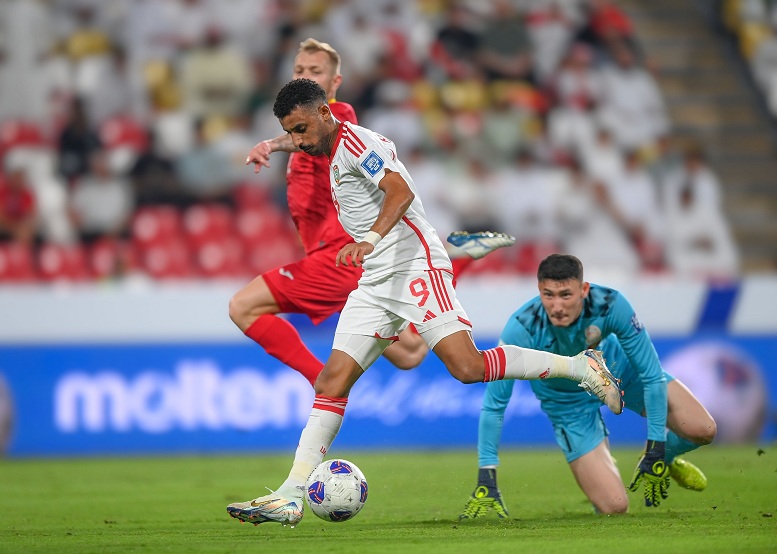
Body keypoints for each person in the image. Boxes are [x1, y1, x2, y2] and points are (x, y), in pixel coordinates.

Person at [226, 78, 623, 527]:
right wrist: (274, 145)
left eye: (300, 130)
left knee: (467, 367)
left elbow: (400, 191)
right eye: (290, 133)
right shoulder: (326, 146)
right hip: (376, 279)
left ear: (323, 113)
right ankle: (291, 494)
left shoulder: (358, 143)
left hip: (415, 264)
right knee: (331, 382)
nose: (298, 141)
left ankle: (582, 367)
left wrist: (370, 239)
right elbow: (302, 143)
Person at [233, 38, 515, 386]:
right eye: (299, 70)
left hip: (337, 254)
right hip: (343, 258)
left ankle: (321, 381)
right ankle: (460, 256)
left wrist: (273, 144)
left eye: (316, 72)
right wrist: (275, 144)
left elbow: (393, 185)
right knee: (410, 354)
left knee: (242, 307)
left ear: (334, 84)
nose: (305, 76)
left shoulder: (338, 119)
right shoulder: (301, 133)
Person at [460, 254, 716, 517]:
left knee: (703, 429)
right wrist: (486, 473)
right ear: (539, 291)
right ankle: (601, 467)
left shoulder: (610, 304)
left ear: (584, 290)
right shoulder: (521, 328)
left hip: (619, 372)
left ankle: (667, 458)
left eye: (565, 295)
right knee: (615, 507)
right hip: (567, 404)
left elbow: (651, 375)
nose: (557, 306)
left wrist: (656, 448)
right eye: (548, 295)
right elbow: (494, 405)